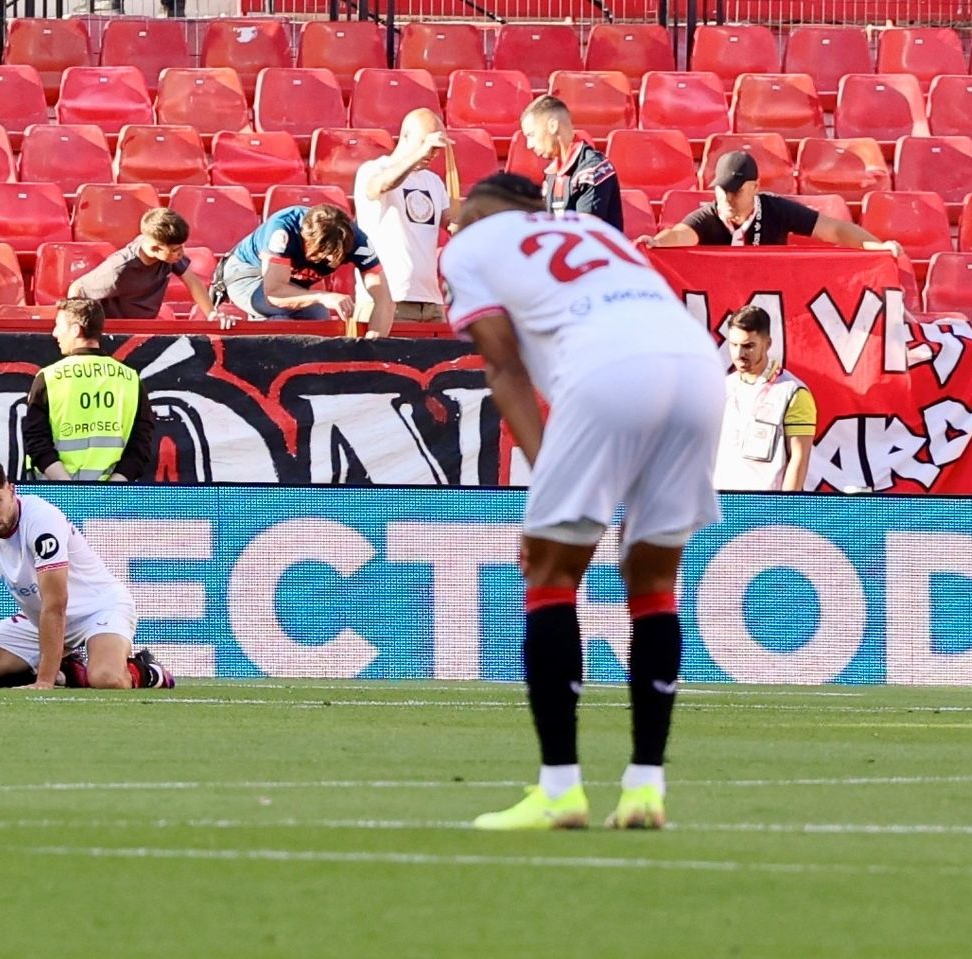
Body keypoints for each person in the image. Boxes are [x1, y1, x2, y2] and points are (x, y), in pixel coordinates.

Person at [440, 173, 723, 831]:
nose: (452, 228)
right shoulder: (595, 229)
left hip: (607, 369)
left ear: (482, 208)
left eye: (459, 217)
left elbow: (504, 368)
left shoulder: (471, 244)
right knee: (653, 581)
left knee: (550, 572)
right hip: (699, 368)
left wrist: (551, 481)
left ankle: (560, 788)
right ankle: (645, 786)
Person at [0, 459, 175, 690]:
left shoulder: (41, 520)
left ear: (11, 490)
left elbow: (56, 603)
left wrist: (45, 681)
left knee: (106, 679)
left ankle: (149, 671)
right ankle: (67, 670)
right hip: (39, 620)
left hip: (98, 609)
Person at [639, 151, 904, 254]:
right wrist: (656, 242)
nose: (727, 198)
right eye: (721, 190)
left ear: (755, 187)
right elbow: (680, 234)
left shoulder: (775, 210)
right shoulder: (709, 216)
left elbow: (833, 230)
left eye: (735, 191)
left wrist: (877, 247)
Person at [23, 298, 154, 482]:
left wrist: (70, 489)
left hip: (54, 496)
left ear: (76, 329)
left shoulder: (49, 377)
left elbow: (36, 440)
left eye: (59, 326)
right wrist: (109, 491)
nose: (54, 333)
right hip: (111, 501)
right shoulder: (130, 379)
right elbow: (141, 444)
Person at [216, 204, 395, 336]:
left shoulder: (358, 242)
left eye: (337, 257)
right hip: (248, 274)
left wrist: (375, 345)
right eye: (323, 256)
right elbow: (274, 293)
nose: (331, 262)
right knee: (283, 321)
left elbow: (385, 301)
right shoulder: (282, 231)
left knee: (318, 317)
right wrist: (323, 296)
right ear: (305, 238)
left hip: (288, 282)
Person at [353, 107, 454, 325]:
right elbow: (379, 186)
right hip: (388, 300)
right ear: (406, 136)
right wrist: (420, 152)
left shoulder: (433, 181)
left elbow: (451, 222)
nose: (432, 153)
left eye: (435, 148)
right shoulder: (373, 169)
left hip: (430, 302)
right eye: (424, 143)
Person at [715, 305, 818, 492]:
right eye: (733, 345)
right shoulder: (721, 388)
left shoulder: (793, 392)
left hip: (767, 510)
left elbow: (799, 459)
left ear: (767, 343)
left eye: (748, 346)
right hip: (725, 507)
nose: (739, 354)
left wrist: (784, 511)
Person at [68, 208, 214, 320]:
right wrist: (75, 326)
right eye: (176, 249)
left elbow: (193, 282)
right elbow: (78, 289)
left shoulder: (168, 256)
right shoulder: (119, 268)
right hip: (115, 331)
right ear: (155, 248)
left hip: (143, 326)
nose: (182, 253)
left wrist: (212, 314)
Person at [520, 95, 623, 230]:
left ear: (552, 126)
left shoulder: (593, 170)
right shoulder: (552, 174)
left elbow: (585, 234)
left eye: (531, 135)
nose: (529, 145)